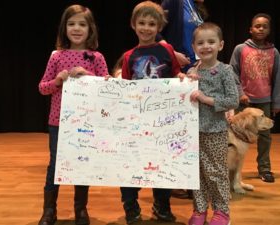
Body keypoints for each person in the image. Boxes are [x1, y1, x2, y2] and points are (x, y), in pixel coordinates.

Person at [38, 4, 108, 225]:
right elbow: (43, 87)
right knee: (55, 165)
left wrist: (88, 76)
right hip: (58, 122)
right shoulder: (57, 57)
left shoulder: (96, 57)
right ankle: (49, 210)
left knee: (82, 164)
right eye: (71, 24)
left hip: (87, 123)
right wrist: (59, 80)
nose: (76, 28)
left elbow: (107, 88)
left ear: (90, 29)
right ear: (64, 28)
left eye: (82, 24)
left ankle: (81, 210)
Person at [120, 1, 185, 224]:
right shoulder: (129, 56)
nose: (146, 28)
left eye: (151, 24)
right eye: (142, 23)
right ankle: (130, 206)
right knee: (130, 163)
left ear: (159, 27)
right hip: (137, 120)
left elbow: (176, 72)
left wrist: (183, 79)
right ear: (133, 25)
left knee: (162, 163)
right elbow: (126, 87)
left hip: (163, 120)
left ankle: (162, 205)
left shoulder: (166, 50)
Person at [188, 22, 239, 225]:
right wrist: (184, 82)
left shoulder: (225, 70)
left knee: (216, 172)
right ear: (194, 47)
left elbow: (232, 101)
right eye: (200, 43)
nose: (206, 46)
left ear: (221, 45)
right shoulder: (193, 70)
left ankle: (222, 212)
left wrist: (205, 98)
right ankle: (199, 210)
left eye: (211, 41)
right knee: (197, 172)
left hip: (215, 131)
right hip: (193, 131)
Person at [229, 13, 280, 183]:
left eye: (265, 26)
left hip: (264, 100)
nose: (261, 29)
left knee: (265, 136)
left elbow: (277, 78)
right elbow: (233, 73)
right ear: (250, 29)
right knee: (236, 135)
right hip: (243, 100)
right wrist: (239, 93)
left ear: (269, 30)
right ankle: (233, 171)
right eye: (257, 26)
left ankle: (264, 169)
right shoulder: (240, 49)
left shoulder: (274, 52)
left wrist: (276, 101)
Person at [157, 0, 208, 72]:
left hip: (197, 67)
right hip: (178, 69)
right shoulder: (173, 2)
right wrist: (173, 54)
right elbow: (155, 32)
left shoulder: (195, 5)